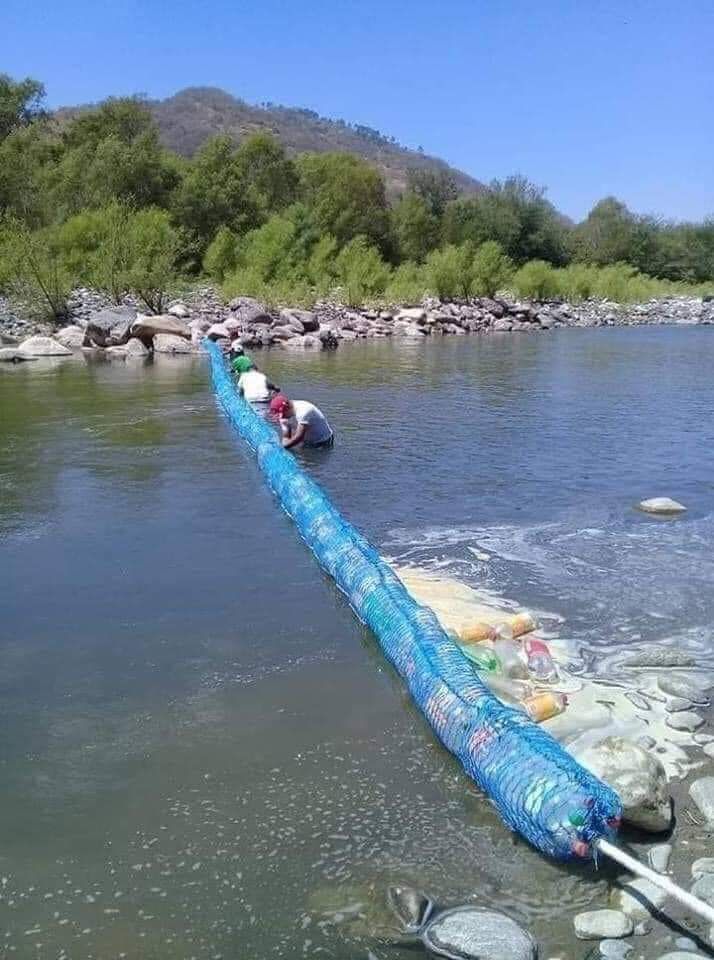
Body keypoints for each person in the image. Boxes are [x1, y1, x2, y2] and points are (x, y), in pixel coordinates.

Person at [269, 394, 334, 449]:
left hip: (323, 442)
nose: (282, 417)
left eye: (283, 414)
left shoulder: (303, 412)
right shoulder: (289, 408)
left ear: (287, 407)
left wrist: (283, 447)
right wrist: (285, 438)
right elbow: (287, 431)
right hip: (308, 440)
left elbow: (299, 437)